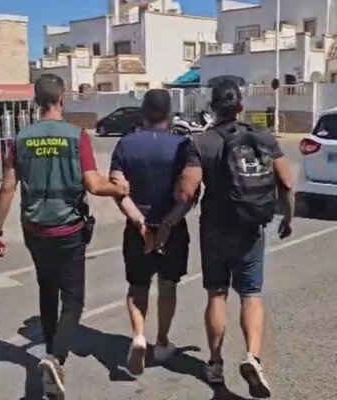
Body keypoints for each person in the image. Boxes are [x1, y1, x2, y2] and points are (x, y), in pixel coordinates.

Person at [0, 74, 129, 398]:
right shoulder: (76, 136)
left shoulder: (21, 138)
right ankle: (55, 358)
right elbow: (93, 184)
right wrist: (118, 188)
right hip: (68, 229)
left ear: (37, 102)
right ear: (62, 100)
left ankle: (50, 355)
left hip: (35, 229)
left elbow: (8, 187)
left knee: (47, 289)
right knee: (74, 299)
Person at [178, 80, 294, 398]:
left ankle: (215, 363)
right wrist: (288, 217)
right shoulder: (263, 137)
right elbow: (286, 181)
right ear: (241, 106)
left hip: (215, 228)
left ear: (213, 108)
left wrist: (170, 217)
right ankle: (253, 357)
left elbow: (188, 190)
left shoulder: (201, 142)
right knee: (251, 294)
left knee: (216, 294)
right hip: (251, 227)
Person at [109, 89, 192, 375]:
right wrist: (167, 224)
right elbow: (189, 194)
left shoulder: (126, 144)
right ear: (169, 113)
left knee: (137, 286)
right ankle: (162, 341)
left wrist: (140, 223)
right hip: (173, 227)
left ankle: (138, 336)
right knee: (168, 285)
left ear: (143, 112)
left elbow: (118, 189)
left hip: (137, 228)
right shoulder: (183, 146)